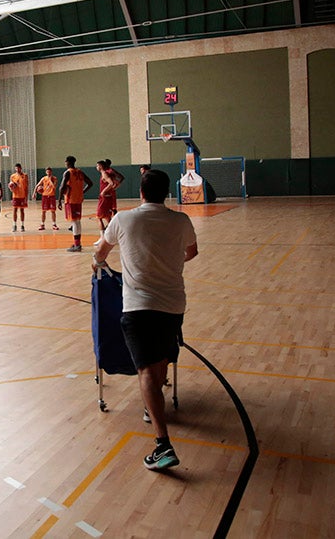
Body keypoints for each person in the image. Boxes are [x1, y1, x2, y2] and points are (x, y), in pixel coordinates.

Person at [90, 169, 198, 471]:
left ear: (141, 192)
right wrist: (168, 259)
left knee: (146, 371)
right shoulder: (181, 220)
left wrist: (98, 264)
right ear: (167, 193)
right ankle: (153, 410)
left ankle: (163, 444)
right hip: (174, 305)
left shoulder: (123, 219)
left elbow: (100, 253)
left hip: (138, 308)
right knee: (160, 359)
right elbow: (192, 252)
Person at [57, 156, 93, 252]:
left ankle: (77, 245)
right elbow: (90, 183)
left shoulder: (68, 172)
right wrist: (81, 192)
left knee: (74, 222)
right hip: (78, 199)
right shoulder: (80, 172)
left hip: (70, 200)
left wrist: (59, 199)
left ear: (67, 162)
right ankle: (78, 244)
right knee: (77, 221)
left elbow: (62, 186)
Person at [96, 159, 125, 233]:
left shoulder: (108, 172)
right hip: (110, 194)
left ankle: (107, 233)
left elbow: (114, 181)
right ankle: (113, 230)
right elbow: (119, 179)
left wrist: (104, 191)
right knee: (109, 214)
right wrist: (115, 187)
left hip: (106, 195)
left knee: (101, 216)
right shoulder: (110, 171)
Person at [8, 163, 29, 232]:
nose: (17, 169)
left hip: (22, 195)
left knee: (22, 210)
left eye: (18, 168)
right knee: (15, 210)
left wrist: (26, 196)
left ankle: (22, 225)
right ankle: (14, 225)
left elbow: (26, 187)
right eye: (16, 168)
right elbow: (11, 187)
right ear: (15, 169)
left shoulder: (25, 176)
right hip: (15, 196)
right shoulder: (12, 176)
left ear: (21, 168)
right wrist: (11, 187)